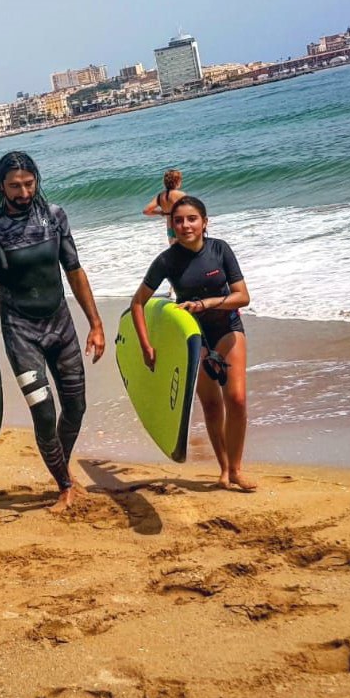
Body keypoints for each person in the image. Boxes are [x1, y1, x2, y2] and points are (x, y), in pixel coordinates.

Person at [0, 151, 106, 512]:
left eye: (29, 184)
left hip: (60, 326)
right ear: (1, 186)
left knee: (76, 406)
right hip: (21, 332)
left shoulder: (55, 217)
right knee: (44, 412)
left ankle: (60, 468)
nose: (23, 192)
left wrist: (95, 323)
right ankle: (64, 483)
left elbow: (75, 271)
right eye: (15, 186)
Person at [129, 196, 256, 492]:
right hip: (193, 336)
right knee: (211, 405)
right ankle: (224, 470)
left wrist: (208, 303)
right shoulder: (167, 260)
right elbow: (138, 303)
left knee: (235, 400)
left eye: (191, 219)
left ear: (204, 222)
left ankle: (236, 470)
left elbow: (243, 296)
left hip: (227, 328)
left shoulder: (219, 250)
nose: (185, 225)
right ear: (172, 226)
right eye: (178, 220)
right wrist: (146, 346)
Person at [142, 168, 187, 245]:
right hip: (181, 227)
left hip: (170, 230)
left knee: (175, 254)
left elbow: (146, 211)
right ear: (177, 181)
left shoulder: (160, 196)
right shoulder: (181, 194)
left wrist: (160, 212)